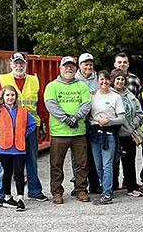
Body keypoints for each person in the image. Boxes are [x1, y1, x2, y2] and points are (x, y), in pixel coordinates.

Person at [0, 52, 48, 203]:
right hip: (8, 131)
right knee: (4, 165)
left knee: (31, 161)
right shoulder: (4, 79)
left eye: (21, 63)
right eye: (16, 63)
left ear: (26, 64)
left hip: (29, 129)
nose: (19, 66)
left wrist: (43, 124)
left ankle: (34, 191)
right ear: (11, 64)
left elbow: (40, 105)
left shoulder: (34, 80)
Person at [0, 84, 37, 212]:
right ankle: (7, 197)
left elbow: (32, 124)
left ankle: (20, 199)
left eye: (12, 95)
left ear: (16, 97)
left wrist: (23, 133)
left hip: (19, 147)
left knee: (19, 173)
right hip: (3, 148)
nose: (10, 97)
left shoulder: (22, 111)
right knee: (7, 172)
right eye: (7, 95)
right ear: (2, 97)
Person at [44, 56, 92, 204]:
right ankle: (57, 192)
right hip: (59, 133)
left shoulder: (82, 86)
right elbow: (51, 105)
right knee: (56, 164)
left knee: (82, 164)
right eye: (66, 66)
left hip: (78, 132)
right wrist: (66, 119)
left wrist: (75, 117)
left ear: (75, 68)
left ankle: (81, 190)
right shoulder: (52, 86)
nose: (69, 69)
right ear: (60, 68)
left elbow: (86, 104)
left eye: (71, 66)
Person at [88, 70, 126, 205]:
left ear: (110, 81)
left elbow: (121, 118)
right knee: (98, 165)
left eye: (106, 79)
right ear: (97, 81)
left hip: (109, 134)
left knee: (107, 164)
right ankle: (105, 187)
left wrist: (108, 121)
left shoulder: (115, 97)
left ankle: (107, 193)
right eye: (101, 79)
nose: (104, 82)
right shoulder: (92, 96)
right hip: (94, 133)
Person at [111, 68, 143, 197]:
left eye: (122, 79)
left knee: (129, 161)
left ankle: (131, 186)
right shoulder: (110, 94)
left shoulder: (129, 94)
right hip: (115, 134)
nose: (120, 81)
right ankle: (112, 186)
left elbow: (139, 111)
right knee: (113, 162)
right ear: (113, 81)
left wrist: (134, 124)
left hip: (129, 133)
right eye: (117, 79)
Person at [71, 52, 101, 195]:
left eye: (90, 64)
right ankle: (78, 184)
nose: (88, 66)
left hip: (94, 121)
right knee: (77, 156)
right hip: (78, 121)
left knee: (93, 154)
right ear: (79, 65)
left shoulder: (98, 79)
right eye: (85, 64)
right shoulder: (73, 79)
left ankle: (95, 183)